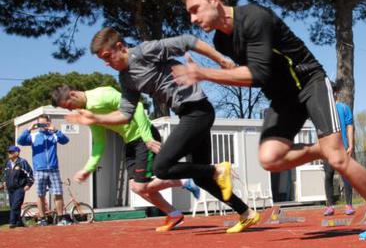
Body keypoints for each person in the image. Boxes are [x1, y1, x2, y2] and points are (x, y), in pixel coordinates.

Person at [173, 0, 366, 240]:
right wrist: (223, 69)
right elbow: (253, 74)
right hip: (283, 99)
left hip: (309, 82)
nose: (192, 19)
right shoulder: (222, 41)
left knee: (337, 157)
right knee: (270, 158)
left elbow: (258, 73)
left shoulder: (254, 17)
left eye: (195, 9)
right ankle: (321, 150)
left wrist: (205, 74)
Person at [66, 29, 259, 234]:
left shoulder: (144, 52)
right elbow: (125, 114)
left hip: (198, 111)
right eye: (102, 60)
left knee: (161, 168)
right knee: (201, 178)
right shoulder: (126, 79)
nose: (107, 63)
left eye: (107, 56)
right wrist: (95, 118)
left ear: (120, 47)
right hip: (188, 114)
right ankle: (246, 213)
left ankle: (217, 170)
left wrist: (221, 60)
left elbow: (188, 40)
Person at [51, 85, 201, 231]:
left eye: (68, 106)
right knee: (136, 187)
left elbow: (138, 107)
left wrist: (147, 138)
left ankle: (186, 181)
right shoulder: (87, 113)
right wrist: (88, 168)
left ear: (73, 95)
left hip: (144, 136)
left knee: (141, 186)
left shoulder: (101, 95)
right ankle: (174, 214)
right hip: (130, 142)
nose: (70, 110)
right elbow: (99, 142)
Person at [17, 114, 72, 225]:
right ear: (37, 124)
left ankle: (60, 218)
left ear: (48, 123)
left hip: (53, 169)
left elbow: (65, 140)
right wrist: (29, 129)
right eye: (40, 124)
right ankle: (42, 219)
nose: (42, 126)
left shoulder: (54, 135)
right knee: (40, 195)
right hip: (39, 170)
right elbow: (20, 141)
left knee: (58, 194)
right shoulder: (33, 136)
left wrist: (56, 130)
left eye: (44, 123)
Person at [322, 80, 355, 216]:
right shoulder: (322, 109)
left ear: (335, 92)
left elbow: (349, 126)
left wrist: (351, 144)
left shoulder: (343, 107)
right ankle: (330, 206)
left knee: (346, 176)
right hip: (327, 149)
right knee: (328, 176)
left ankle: (349, 205)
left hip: (343, 147)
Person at [1, 146, 34, 228]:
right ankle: (19, 222)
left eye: (11, 152)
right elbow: (5, 174)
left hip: (19, 188)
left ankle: (12, 223)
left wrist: (28, 185)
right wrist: (4, 182)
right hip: (10, 189)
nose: (9, 153)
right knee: (14, 206)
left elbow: (30, 174)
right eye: (8, 152)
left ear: (17, 153)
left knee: (15, 206)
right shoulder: (8, 163)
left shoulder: (22, 162)